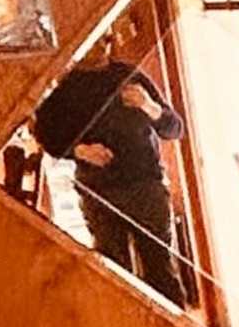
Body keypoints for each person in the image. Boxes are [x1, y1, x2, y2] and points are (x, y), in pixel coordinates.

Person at [30, 54, 192, 310]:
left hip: (146, 186)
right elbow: (46, 135)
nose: (98, 47)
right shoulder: (66, 86)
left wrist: (150, 106)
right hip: (99, 191)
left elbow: (175, 128)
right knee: (113, 273)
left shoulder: (129, 75)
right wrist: (80, 151)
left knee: (160, 269)